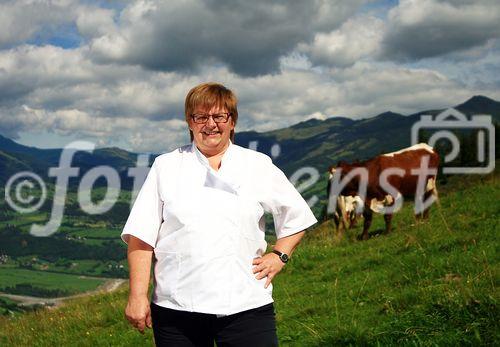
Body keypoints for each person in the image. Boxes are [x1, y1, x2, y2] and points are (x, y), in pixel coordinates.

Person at [121, 82, 317, 346]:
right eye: (200, 117)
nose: (210, 124)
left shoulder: (257, 165)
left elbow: (296, 215)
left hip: (246, 303)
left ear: (232, 121)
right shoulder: (166, 167)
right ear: (189, 123)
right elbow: (141, 237)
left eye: (219, 116)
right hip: (178, 307)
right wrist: (137, 296)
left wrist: (280, 254)